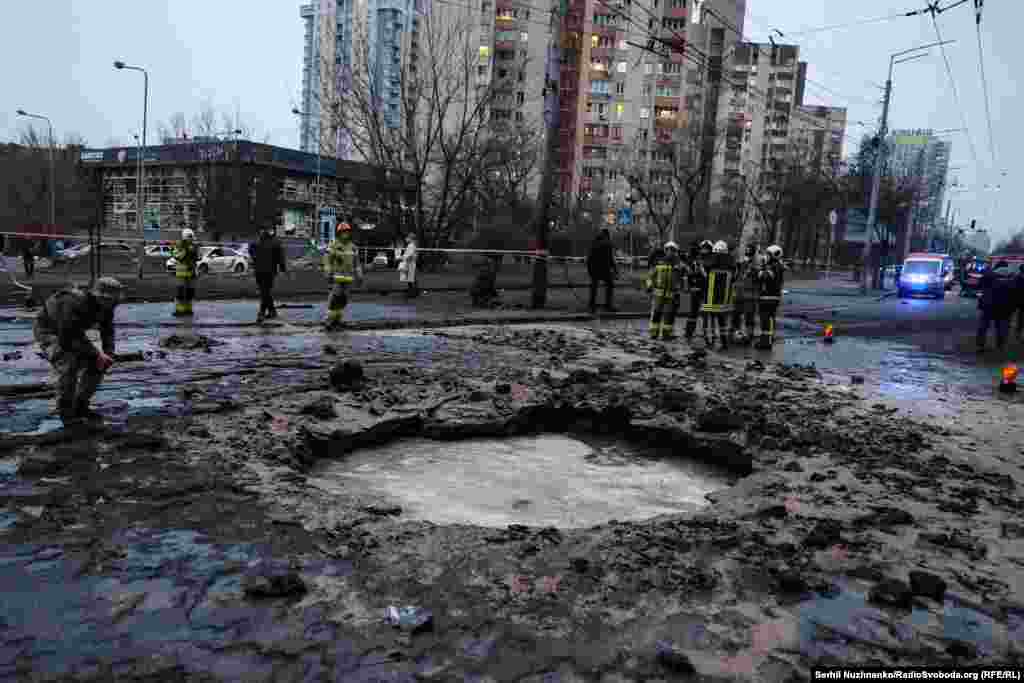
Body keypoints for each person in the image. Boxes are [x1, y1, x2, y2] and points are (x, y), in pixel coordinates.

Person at [33, 277, 123, 425]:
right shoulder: (72, 301)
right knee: (68, 365)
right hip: (50, 331)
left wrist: (108, 354)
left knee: (98, 364)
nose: (112, 304)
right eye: (109, 300)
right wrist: (96, 353)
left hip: (72, 332)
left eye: (115, 301)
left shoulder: (107, 307)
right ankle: (66, 413)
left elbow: (107, 331)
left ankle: (81, 405)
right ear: (97, 296)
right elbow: (68, 335)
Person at [645, 242, 685, 340]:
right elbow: (650, 276)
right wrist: (649, 286)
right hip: (658, 294)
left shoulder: (679, 264)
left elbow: (683, 278)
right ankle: (654, 333)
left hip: (672, 294)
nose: (670, 252)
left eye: (672, 250)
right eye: (668, 250)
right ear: (665, 250)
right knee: (656, 314)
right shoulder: (658, 263)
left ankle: (666, 334)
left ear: (676, 252)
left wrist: (680, 290)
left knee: (669, 315)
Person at [701, 240, 735, 350]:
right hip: (724, 298)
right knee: (722, 320)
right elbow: (734, 278)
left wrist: (700, 267)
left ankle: (709, 340)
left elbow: (705, 274)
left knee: (708, 318)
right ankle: (724, 342)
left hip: (710, 296)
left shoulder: (711, 261)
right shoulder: (731, 262)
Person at [250, 226, 287, 323]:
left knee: (264, 291)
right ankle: (271, 311)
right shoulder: (275, 243)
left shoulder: (256, 242)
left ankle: (262, 313)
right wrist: (283, 269)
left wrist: (254, 261)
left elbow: (251, 253)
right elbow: (280, 257)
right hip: (270, 271)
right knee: (266, 291)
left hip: (259, 271)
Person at [323, 221, 356, 330]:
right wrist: (327, 269)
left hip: (348, 277)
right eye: (343, 232)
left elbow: (357, 262)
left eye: (347, 232)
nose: (346, 234)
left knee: (344, 299)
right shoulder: (334, 244)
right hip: (337, 276)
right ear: (339, 233)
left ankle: (338, 319)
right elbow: (327, 257)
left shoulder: (353, 247)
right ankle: (329, 319)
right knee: (335, 297)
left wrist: (360, 273)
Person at [977, 261, 1016, 352]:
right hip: (1005, 307)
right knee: (1002, 327)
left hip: (988, 305)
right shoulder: (1013, 277)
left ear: (996, 266)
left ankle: (980, 345)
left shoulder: (989, 275)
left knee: (983, 326)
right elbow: (1015, 293)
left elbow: (980, 285)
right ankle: (1000, 345)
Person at [755, 245, 785, 350]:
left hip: (770, 296)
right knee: (764, 319)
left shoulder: (776, 266)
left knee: (768, 319)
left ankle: (767, 341)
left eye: (768, 254)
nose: (766, 256)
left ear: (774, 255)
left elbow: (765, 277)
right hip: (767, 296)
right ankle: (765, 339)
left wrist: (762, 268)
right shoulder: (774, 265)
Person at [731, 243, 760, 345]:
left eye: (749, 250)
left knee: (749, 317)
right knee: (736, 315)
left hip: (750, 295)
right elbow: (736, 276)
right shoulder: (741, 262)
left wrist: (751, 268)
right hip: (739, 293)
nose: (747, 252)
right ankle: (735, 334)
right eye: (746, 250)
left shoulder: (756, 264)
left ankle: (749, 336)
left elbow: (757, 278)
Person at [684, 241, 711, 342]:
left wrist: (701, 268)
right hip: (696, 289)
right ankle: (689, 332)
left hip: (705, 290)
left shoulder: (710, 261)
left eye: (707, 248)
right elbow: (690, 274)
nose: (704, 250)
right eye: (703, 248)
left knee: (705, 313)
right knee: (693, 313)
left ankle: (705, 334)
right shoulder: (695, 260)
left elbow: (707, 275)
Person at [586, 228, 618, 313]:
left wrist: (589, 269)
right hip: (604, 269)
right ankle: (608, 305)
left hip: (594, 269)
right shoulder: (607, 244)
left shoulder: (595, 242)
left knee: (594, 287)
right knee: (610, 285)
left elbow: (589, 257)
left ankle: (591, 306)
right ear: (607, 235)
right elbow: (610, 259)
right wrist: (615, 270)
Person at [172, 228, 199, 317]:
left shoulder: (194, 246)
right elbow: (176, 255)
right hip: (181, 272)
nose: (191, 239)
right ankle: (179, 310)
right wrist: (185, 250)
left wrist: (193, 251)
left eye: (192, 237)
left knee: (190, 292)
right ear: (184, 237)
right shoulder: (180, 245)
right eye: (189, 237)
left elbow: (197, 257)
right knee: (180, 292)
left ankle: (188, 309)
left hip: (191, 271)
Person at [398, 233, 419, 298]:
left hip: (410, 263)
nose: (406, 239)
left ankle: (412, 293)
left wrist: (401, 258)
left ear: (411, 238)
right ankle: (412, 292)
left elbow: (409, 255)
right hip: (410, 263)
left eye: (407, 237)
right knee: (411, 278)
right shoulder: (411, 245)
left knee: (410, 279)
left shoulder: (411, 245)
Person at [1015, 264, 1024, 341]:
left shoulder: (1017, 277)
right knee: (1021, 317)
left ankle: (1018, 332)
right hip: (1020, 300)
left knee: (1020, 317)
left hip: (1018, 300)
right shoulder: (1017, 277)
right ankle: (1018, 332)